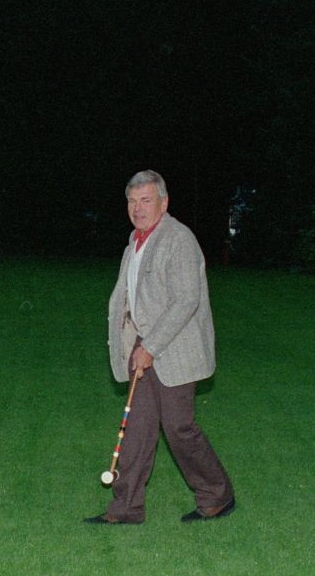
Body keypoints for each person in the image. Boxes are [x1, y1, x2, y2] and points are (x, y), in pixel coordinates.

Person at [88, 169, 235, 525]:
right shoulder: (135, 241)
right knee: (136, 430)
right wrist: (133, 343)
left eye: (146, 200)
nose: (138, 208)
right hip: (144, 347)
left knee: (178, 428)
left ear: (164, 202)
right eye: (132, 201)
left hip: (174, 349)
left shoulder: (178, 239)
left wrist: (150, 346)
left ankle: (217, 495)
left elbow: (187, 300)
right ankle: (126, 509)